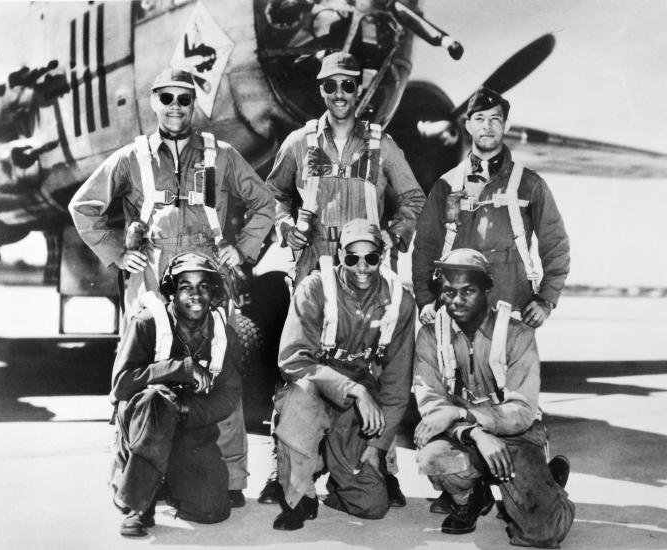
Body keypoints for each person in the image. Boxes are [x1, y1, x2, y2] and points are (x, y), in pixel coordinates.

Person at [69, 67, 275, 506]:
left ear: (194, 103)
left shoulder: (221, 154)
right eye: (167, 98)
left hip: (207, 280)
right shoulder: (132, 157)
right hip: (151, 280)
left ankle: (231, 477)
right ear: (154, 102)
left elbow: (264, 203)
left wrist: (242, 249)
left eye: (184, 98)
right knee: (143, 377)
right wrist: (117, 254)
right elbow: (83, 206)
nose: (176, 107)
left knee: (221, 372)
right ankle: (133, 476)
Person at [262, 50, 425, 505]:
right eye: (330, 86)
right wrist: (284, 226)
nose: (339, 95)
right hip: (314, 268)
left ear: (360, 90)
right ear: (321, 90)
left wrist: (394, 235)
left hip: (365, 271)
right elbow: (273, 193)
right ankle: (287, 469)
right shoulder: (299, 142)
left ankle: (379, 463)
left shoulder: (380, 145)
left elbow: (412, 197)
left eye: (348, 86)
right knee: (301, 367)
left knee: (371, 368)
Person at [413, 248, 575, 547]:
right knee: (432, 456)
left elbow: (522, 410)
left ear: (487, 289)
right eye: (449, 291)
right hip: (462, 435)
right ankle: (471, 499)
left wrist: (466, 415)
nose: (457, 300)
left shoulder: (517, 333)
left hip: (516, 435)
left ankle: (550, 486)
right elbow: (432, 403)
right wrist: (473, 432)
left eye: (468, 291)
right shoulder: (430, 335)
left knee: (542, 532)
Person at [271, 219, 416, 530]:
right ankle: (299, 494)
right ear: (339, 255)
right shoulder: (314, 288)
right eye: (352, 258)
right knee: (297, 405)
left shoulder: (399, 301)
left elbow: (397, 384)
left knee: (372, 506)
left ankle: (334, 468)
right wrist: (355, 390)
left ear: (381, 255)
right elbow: (293, 360)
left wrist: (378, 447)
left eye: (371, 257)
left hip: (355, 402)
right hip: (314, 385)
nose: (362, 267)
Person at [412, 86, 569, 330]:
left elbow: (556, 245)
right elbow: (425, 247)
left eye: (495, 119)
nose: (487, 126)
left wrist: (546, 300)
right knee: (452, 368)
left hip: (512, 313)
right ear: (467, 125)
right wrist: (425, 300)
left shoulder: (530, 185)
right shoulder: (446, 186)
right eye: (480, 118)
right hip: (456, 315)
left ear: (506, 126)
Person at [111, 253, 243, 536]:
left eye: (203, 286)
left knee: (211, 509)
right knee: (156, 401)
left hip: (189, 424)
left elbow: (228, 395)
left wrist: (185, 412)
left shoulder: (224, 335)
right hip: (145, 422)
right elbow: (121, 384)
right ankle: (137, 506)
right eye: (185, 286)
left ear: (213, 291)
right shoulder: (147, 324)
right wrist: (179, 368)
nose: (195, 294)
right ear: (172, 291)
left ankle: (166, 482)